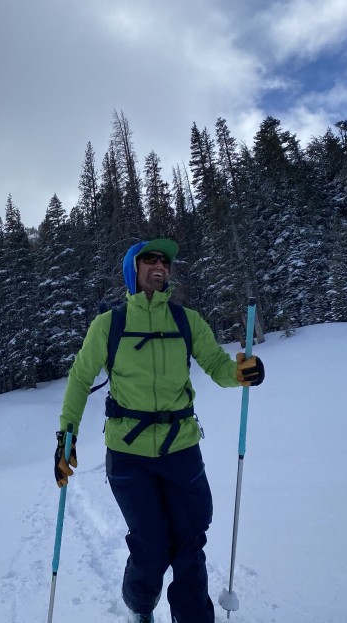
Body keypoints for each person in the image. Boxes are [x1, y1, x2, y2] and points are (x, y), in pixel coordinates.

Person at [53, 238, 264, 623]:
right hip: (128, 454)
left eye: (164, 261)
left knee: (190, 539)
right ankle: (139, 606)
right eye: (149, 259)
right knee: (150, 545)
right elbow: (80, 379)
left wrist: (240, 372)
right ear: (132, 270)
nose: (159, 266)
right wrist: (67, 435)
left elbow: (217, 365)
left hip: (181, 447)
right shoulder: (109, 325)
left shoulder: (186, 320)